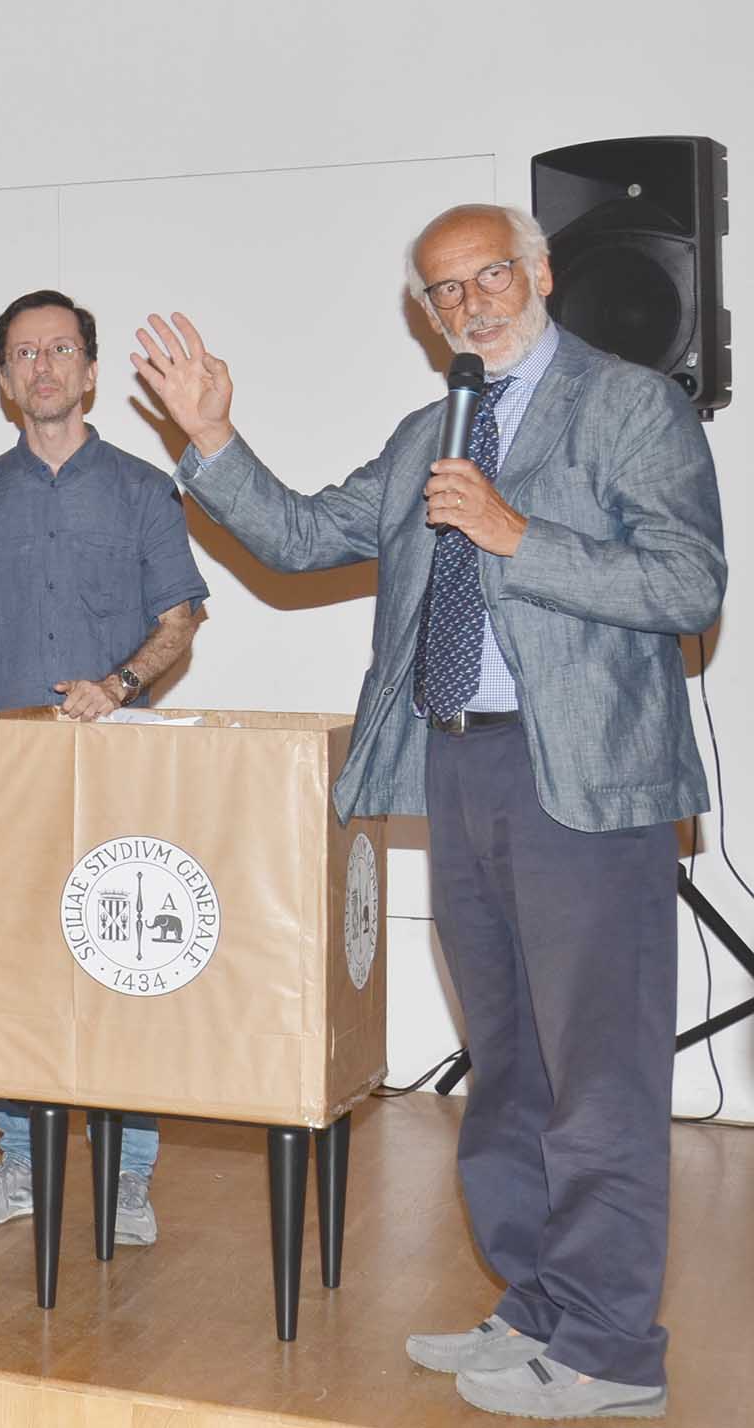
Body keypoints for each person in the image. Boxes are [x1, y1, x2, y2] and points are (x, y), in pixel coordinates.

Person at [136, 203, 722, 1421]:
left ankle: (612, 1350)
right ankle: (536, 1304)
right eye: (441, 292)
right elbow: (301, 536)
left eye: (487, 276)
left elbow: (686, 584)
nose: (468, 306)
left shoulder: (627, 405)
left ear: (538, 272)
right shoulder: (427, 435)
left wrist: (515, 535)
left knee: (595, 1078)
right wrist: (210, 436)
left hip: (584, 784)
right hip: (456, 767)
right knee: (504, 1068)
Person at [0, 290, 208, 1246]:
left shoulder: (143, 490)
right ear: (5, 379)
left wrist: (118, 685)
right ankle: (23, 1161)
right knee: (3, 970)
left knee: (127, 964)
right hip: (10, 780)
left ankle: (128, 1176)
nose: (43, 367)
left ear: (90, 371)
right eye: (24, 353)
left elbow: (179, 620)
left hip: (120, 770)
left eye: (61, 349)